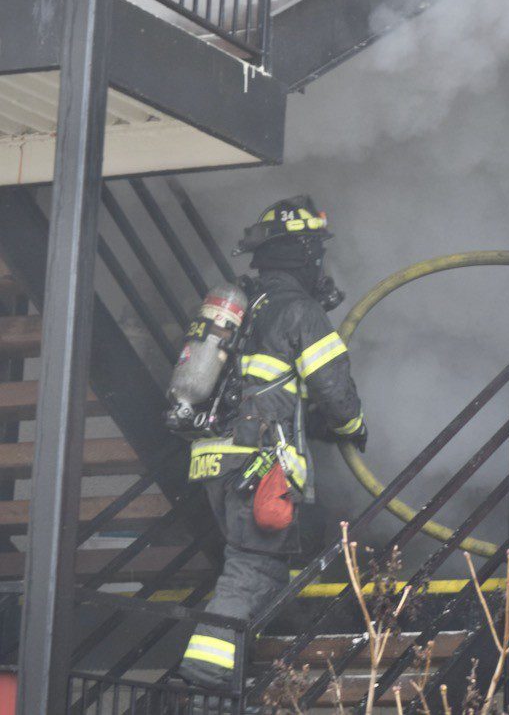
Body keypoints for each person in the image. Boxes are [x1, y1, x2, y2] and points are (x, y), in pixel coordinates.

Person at [177, 196, 367, 690]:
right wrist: (352, 428)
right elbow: (334, 390)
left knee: (268, 572)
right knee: (254, 572)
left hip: (216, 464)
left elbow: (270, 390)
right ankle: (204, 686)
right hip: (256, 470)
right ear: (305, 255)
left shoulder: (249, 308)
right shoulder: (297, 310)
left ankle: (254, 678)